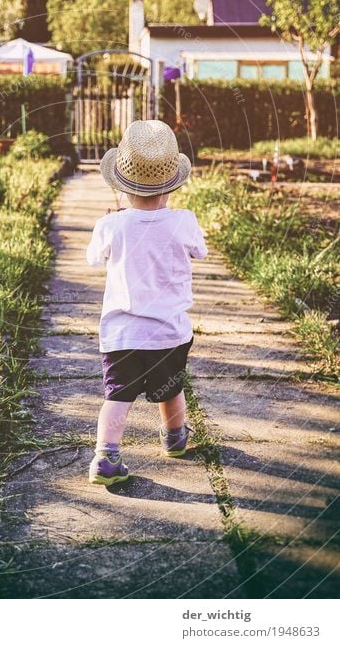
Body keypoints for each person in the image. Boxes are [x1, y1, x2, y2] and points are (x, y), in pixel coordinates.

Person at [86, 120, 208, 485]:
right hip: (169, 332)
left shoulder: (110, 225)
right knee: (169, 389)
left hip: (121, 333)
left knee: (117, 395)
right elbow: (200, 250)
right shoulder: (182, 220)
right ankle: (174, 437)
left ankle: (106, 457)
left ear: (121, 188)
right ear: (171, 187)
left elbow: (94, 258)